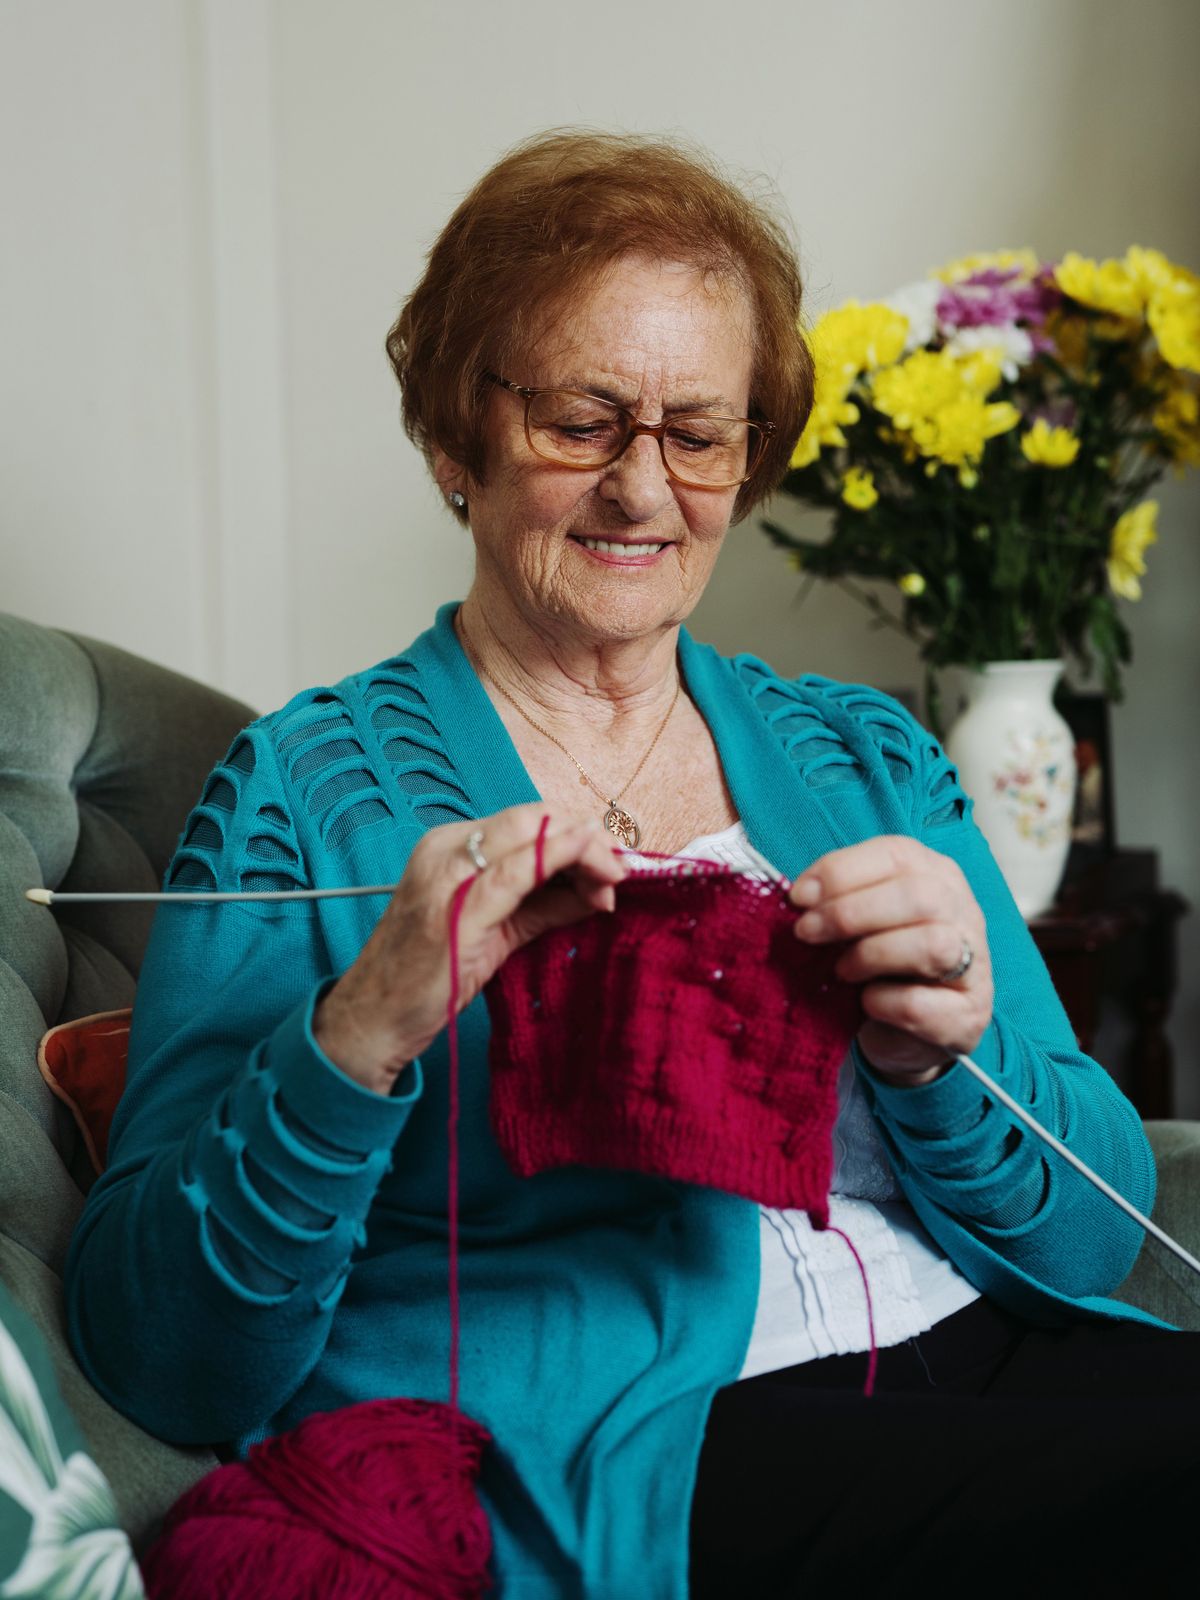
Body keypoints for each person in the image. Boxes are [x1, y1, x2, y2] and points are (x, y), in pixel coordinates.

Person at [66, 130, 1196, 1598]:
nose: (642, 489)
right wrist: (361, 1030)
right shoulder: (305, 794)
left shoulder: (864, 760)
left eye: (698, 432)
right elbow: (157, 1349)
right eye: (584, 422)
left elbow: (1101, 1230)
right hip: (638, 1439)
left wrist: (944, 1056)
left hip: (978, 1359)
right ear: (454, 438)